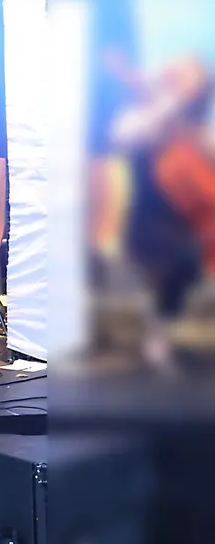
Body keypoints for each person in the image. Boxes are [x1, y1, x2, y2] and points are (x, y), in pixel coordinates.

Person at [109, 53, 215, 373]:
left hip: (193, 221)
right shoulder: (140, 118)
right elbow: (124, 138)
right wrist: (166, 105)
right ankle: (159, 336)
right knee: (179, 256)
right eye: (181, 82)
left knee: (189, 255)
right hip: (151, 222)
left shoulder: (200, 127)